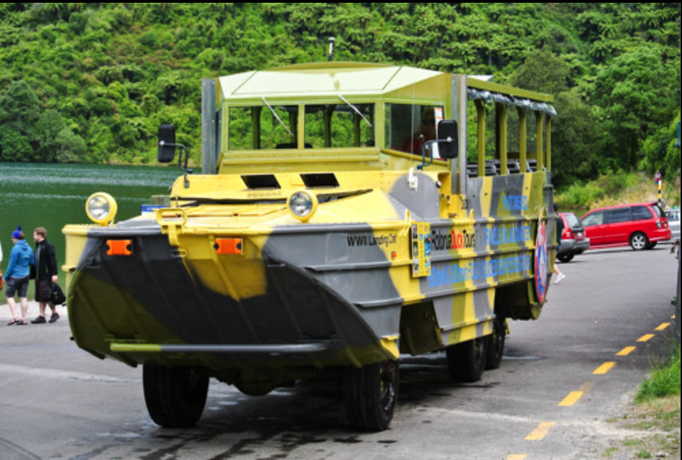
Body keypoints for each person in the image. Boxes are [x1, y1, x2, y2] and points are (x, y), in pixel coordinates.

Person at [31, 227, 60, 324]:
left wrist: (54, 274)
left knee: (46, 295)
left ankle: (54, 313)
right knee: (40, 296)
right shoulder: (38, 247)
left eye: (34, 235)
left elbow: (53, 260)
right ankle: (42, 316)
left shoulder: (48, 246)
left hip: (46, 276)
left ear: (39, 235)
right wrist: (34, 276)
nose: (33, 237)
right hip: (39, 276)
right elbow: (35, 262)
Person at [5, 226, 33, 325]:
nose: (12, 240)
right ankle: (24, 319)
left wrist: (5, 277)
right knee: (23, 296)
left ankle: (15, 316)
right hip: (26, 275)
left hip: (15, 276)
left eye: (12, 238)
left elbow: (11, 265)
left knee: (9, 296)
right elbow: (32, 262)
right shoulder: (29, 248)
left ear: (16, 238)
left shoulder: (15, 249)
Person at [553, 205, 566, 284]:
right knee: (550, 261)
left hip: (553, 243)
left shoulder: (553, 219)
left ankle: (559, 274)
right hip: (558, 242)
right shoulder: (560, 219)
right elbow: (563, 230)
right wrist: (559, 236)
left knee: (550, 261)